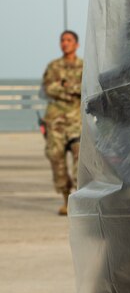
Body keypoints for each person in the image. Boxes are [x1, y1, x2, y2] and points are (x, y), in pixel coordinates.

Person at [42, 30, 83, 215]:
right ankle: (66, 199)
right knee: (56, 158)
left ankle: (79, 199)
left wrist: (66, 87)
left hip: (77, 120)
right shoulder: (53, 66)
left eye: (68, 40)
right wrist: (72, 90)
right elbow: (49, 89)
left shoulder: (84, 66)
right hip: (56, 121)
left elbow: (87, 87)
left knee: (80, 160)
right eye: (62, 40)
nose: (65, 43)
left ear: (76, 44)